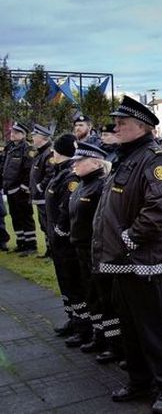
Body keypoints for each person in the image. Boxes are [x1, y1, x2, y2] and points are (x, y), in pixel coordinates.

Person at [92, 96, 162, 413]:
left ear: (142, 127)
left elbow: (159, 210)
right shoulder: (126, 156)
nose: (115, 126)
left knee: (154, 329)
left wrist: (130, 238)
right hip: (123, 262)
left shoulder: (154, 160)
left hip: (144, 262)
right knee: (130, 327)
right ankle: (140, 381)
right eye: (116, 122)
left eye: (122, 123)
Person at [68, 142, 119, 359]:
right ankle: (99, 336)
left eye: (80, 161)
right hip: (81, 249)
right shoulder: (82, 184)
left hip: (97, 250)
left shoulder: (100, 186)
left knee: (105, 298)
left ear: (95, 162)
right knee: (92, 296)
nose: (75, 165)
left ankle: (114, 343)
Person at [46, 134, 91, 346]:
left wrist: (60, 232)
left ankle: (83, 327)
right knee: (66, 283)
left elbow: (67, 210)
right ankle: (73, 319)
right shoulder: (60, 173)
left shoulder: (70, 177)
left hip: (66, 242)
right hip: (57, 241)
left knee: (75, 284)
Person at [2, 122, 37, 255]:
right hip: (9, 189)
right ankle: (21, 243)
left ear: (23, 135)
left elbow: (29, 171)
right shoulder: (9, 147)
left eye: (16, 132)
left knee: (26, 217)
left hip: (20, 190)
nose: (12, 134)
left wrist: (23, 187)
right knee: (15, 217)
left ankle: (31, 246)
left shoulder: (28, 149)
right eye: (12, 132)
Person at [29, 123, 55, 259]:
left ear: (43, 138)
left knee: (48, 224)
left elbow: (51, 174)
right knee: (44, 225)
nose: (32, 138)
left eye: (35, 136)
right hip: (39, 197)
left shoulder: (49, 153)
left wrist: (40, 186)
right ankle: (48, 250)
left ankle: (52, 251)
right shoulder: (39, 153)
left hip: (45, 196)